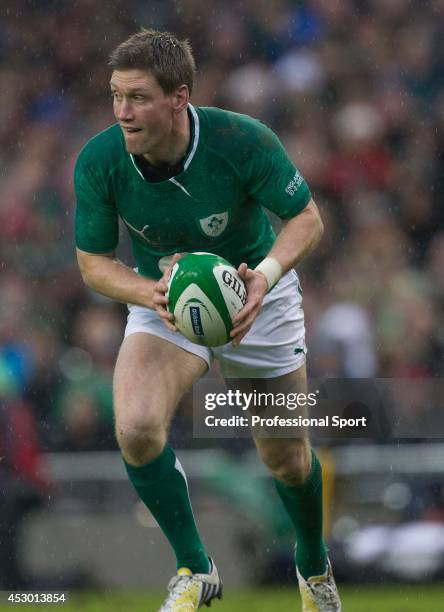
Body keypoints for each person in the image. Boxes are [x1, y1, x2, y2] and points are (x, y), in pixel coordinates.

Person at [74, 28, 341, 612]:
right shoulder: (99, 161)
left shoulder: (240, 140)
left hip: (258, 299)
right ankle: (196, 568)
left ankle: (314, 567)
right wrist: (152, 294)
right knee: (137, 428)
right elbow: (93, 263)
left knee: (287, 460)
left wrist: (264, 277)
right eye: (117, 96)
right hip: (165, 301)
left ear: (179, 98)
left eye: (138, 97)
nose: (123, 112)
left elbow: (308, 220)